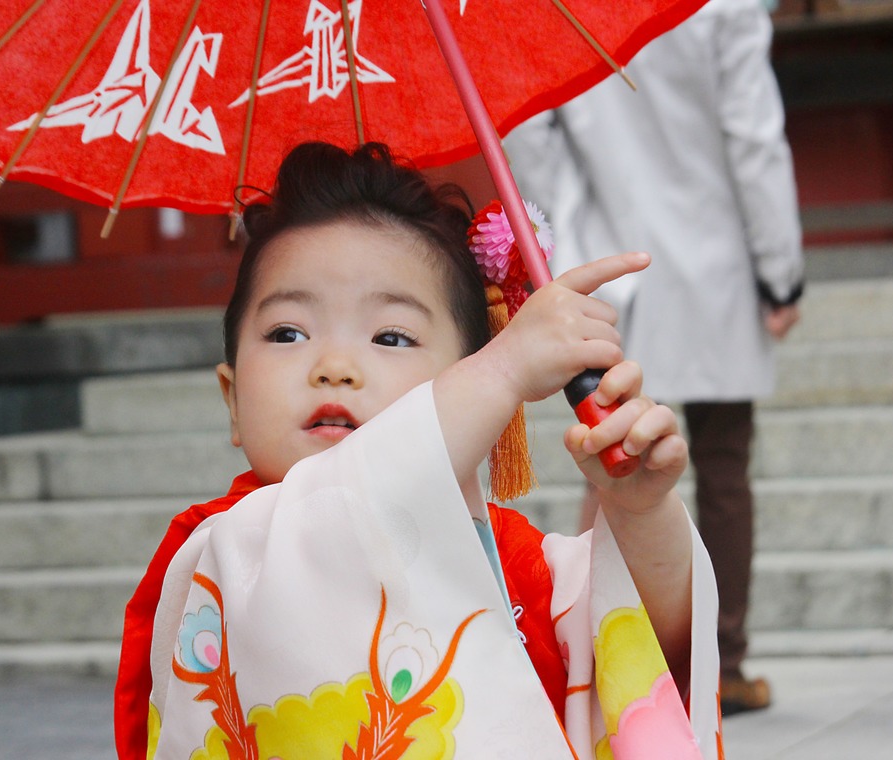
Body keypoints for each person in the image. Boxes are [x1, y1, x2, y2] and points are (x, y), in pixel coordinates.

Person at [114, 142, 723, 758]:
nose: (334, 366)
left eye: (391, 336)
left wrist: (642, 514)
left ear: (474, 384)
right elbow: (341, 516)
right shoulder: (223, 552)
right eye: (287, 332)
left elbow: (649, 650)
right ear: (232, 397)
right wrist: (508, 365)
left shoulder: (519, 566)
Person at [505, 0, 804, 716]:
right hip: (717, 261)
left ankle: (592, 657)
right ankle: (723, 665)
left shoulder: (567, 9)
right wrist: (781, 268)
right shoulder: (723, 7)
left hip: (611, 262)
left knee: (610, 455)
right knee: (724, 465)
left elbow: (528, 130)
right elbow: (752, 134)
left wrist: (555, 237)